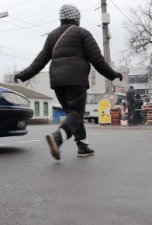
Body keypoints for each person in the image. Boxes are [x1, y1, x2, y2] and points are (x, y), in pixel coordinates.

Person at [14, 4, 123, 160]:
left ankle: (83, 147)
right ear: (77, 18)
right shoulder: (82, 33)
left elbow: (39, 61)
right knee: (77, 114)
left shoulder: (52, 36)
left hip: (57, 82)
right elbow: (97, 59)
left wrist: (22, 75)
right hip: (76, 79)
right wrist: (113, 75)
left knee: (73, 114)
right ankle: (57, 138)